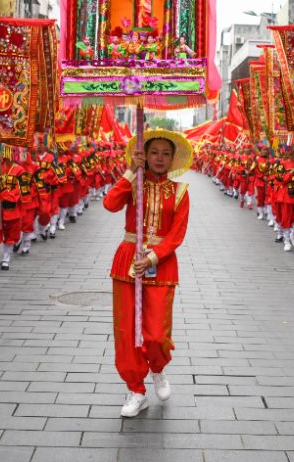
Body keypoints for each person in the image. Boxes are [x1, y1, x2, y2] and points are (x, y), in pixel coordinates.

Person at [104, 130, 191, 418]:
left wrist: (151, 257)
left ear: (173, 158)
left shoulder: (180, 191)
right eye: (154, 152)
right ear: (144, 155)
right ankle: (136, 389)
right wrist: (131, 171)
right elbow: (109, 204)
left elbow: (176, 235)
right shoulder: (134, 183)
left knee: (155, 334)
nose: (159, 158)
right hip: (128, 259)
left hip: (160, 263)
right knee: (127, 331)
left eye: (166, 153)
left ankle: (158, 368)